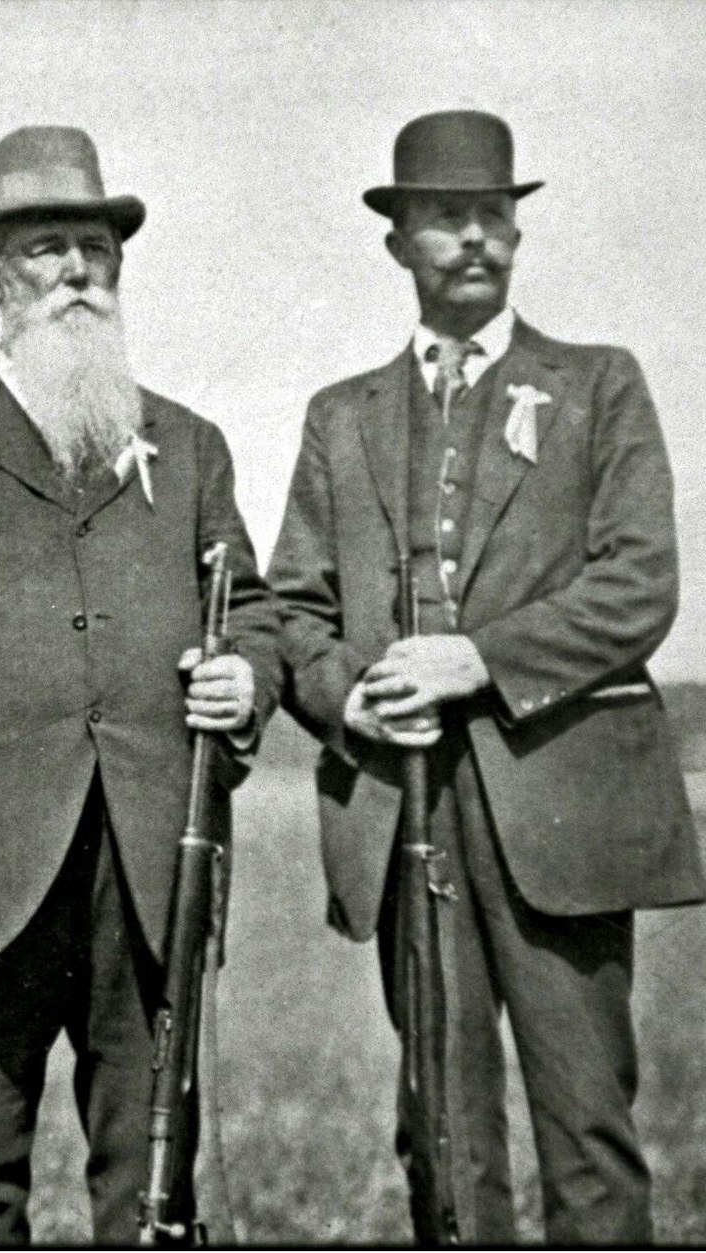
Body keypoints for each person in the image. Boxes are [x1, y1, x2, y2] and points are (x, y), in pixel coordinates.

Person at [0, 125, 280, 1244]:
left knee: (152, 1180)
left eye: (92, 246)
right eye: (43, 249)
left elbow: (257, 611)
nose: (75, 271)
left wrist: (246, 676)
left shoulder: (187, 444)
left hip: (149, 853)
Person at [268, 109, 704, 1244]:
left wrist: (476, 659)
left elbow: (638, 583)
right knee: (442, 1132)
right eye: (444, 219)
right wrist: (345, 691)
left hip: (557, 807)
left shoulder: (597, 385)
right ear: (397, 243)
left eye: (491, 217)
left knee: (585, 1124)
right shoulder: (340, 418)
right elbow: (293, 608)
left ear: (515, 233)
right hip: (402, 807)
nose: (473, 240)